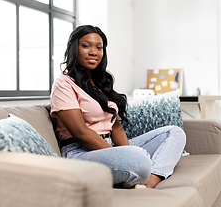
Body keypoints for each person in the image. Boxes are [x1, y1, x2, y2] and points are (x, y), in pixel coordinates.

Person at [50, 25, 186, 189]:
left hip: (109, 147)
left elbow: (116, 127)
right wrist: (123, 155)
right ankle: (139, 172)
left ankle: (150, 182)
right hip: (80, 153)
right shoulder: (63, 84)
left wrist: (124, 153)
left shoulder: (102, 84)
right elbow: (81, 133)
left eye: (99, 48)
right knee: (139, 159)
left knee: (174, 133)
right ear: (74, 48)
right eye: (86, 45)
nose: (93, 52)